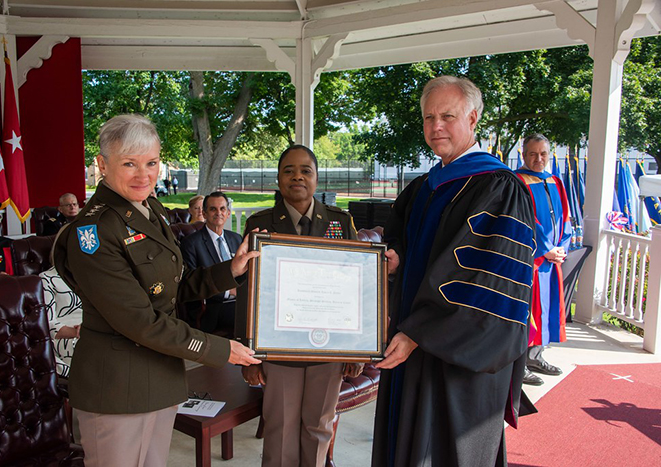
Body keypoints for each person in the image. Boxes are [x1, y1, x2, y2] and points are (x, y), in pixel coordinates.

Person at [53, 114, 261, 467]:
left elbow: (170, 289)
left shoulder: (150, 209)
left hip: (162, 377)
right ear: (102, 165)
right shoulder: (94, 231)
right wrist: (219, 348)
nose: (144, 174)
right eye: (129, 164)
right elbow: (139, 320)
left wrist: (231, 270)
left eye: (151, 163)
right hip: (117, 387)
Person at [371, 76, 536, 467]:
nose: (436, 127)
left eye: (447, 115)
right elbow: (406, 246)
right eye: (429, 118)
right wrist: (395, 260)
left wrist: (418, 332)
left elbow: (487, 279)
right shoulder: (423, 187)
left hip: (460, 357)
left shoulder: (499, 188)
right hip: (409, 344)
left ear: (473, 117)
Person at [236, 144, 363, 467]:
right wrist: (248, 355)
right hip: (277, 348)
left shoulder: (340, 222)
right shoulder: (260, 223)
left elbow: (354, 287)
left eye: (305, 170)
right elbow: (247, 290)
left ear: (316, 179)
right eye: (289, 170)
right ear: (278, 178)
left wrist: (356, 349)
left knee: (318, 428)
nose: (297, 176)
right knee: (279, 430)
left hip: (328, 349)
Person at [515, 134, 572, 386]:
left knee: (546, 308)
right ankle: (519, 364)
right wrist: (546, 248)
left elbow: (566, 218)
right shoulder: (517, 182)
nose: (539, 159)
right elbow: (524, 220)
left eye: (543, 154)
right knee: (528, 310)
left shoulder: (555, 181)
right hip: (531, 258)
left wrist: (561, 247)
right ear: (523, 155)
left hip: (551, 260)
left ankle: (536, 356)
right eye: (533, 154)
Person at [180, 192, 242, 336]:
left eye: (222, 209)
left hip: (240, 301)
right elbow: (190, 284)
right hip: (211, 307)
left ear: (228, 213)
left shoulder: (236, 239)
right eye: (213, 209)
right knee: (247, 314)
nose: (218, 213)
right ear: (204, 213)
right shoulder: (191, 243)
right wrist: (229, 291)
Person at [40, 265, 83, 378]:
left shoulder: (93, 274)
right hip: (66, 335)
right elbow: (47, 323)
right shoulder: (47, 278)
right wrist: (76, 332)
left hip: (95, 326)